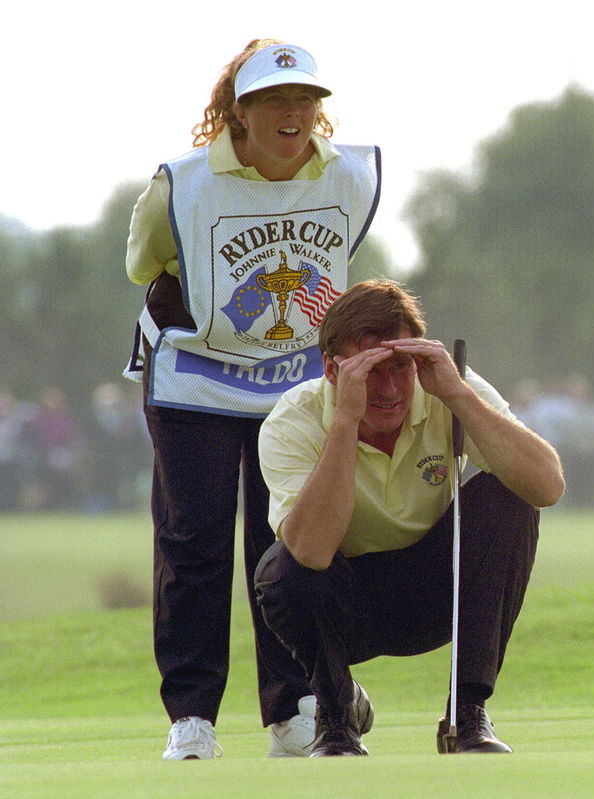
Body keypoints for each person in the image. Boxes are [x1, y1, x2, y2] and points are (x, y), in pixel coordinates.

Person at [123, 39, 382, 760]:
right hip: (195, 380)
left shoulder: (352, 175)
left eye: (305, 100)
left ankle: (296, 706)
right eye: (273, 100)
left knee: (290, 541)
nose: (293, 113)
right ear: (239, 111)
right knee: (194, 543)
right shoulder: (183, 181)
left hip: (295, 379)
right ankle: (192, 716)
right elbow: (142, 261)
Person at [253, 279, 564, 756]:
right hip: (343, 603)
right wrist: (346, 422)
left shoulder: (447, 382)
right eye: (371, 369)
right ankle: (336, 719)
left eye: (401, 367)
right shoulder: (293, 420)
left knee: (511, 495)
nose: (391, 388)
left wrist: (458, 395)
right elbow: (311, 552)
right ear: (332, 369)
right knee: (281, 567)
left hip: (441, 594)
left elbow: (547, 486)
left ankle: (466, 716)